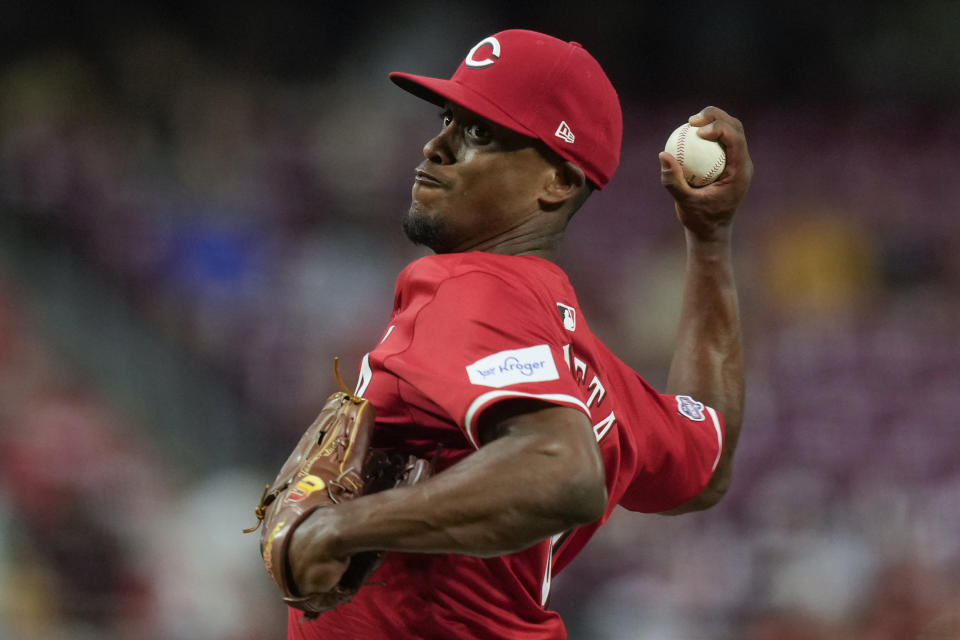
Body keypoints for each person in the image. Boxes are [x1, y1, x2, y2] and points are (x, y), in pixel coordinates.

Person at [285, 28, 752, 639]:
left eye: (478, 132)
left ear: (557, 180)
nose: (435, 146)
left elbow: (564, 470)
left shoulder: (469, 286)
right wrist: (710, 241)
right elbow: (707, 458)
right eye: (447, 118)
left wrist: (343, 528)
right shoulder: (589, 371)